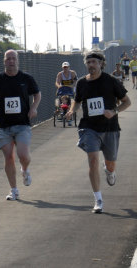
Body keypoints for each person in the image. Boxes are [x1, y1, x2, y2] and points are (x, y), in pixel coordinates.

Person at [66, 51, 131, 214]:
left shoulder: (111, 81)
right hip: (89, 127)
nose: (91, 65)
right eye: (88, 62)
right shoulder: (81, 83)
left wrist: (114, 111)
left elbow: (127, 102)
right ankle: (98, 199)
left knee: (110, 163)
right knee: (93, 160)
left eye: (94, 62)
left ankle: (109, 171)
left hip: (110, 128)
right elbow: (78, 100)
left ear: (101, 63)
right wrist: (73, 110)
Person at [0, 49, 41, 201]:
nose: (11, 61)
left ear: (17, 60)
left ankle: (25, 168)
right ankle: (14, 190)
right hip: (3, 125)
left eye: (13, 58)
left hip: (22, 123)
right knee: (9, 157)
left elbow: (37, 94)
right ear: (4, 61)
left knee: (23, 155)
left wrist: (34, 107)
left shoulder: (26, 78)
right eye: (8, 58)